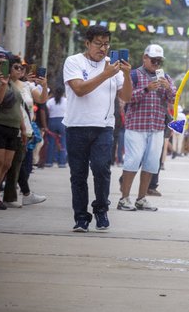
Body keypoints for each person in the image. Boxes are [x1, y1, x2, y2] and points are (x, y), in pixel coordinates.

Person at [63, 26, 132, 232]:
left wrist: (127, 75)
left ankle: (101, 210)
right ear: (87, 43)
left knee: (102, 169)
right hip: (76, 126)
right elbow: (79, 89)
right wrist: (105, 74)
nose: (103, 48)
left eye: (106, 44)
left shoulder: (113, 66)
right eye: (98, 43)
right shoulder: (74, 62)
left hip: (103, 127)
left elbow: (126, 97)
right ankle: (81, 217)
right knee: (78, 174)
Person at [117, 44, 175, 212]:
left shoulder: (165, 77)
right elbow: (126, 98)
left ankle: (141, 199)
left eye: (159, 61)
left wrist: (168, 88)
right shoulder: (133, 75)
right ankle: (124, 198)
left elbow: (173, 98)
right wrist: (146, 89)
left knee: (151, 163)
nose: (156, 64)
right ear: (145, 58)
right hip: (136, 126)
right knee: (133, 160)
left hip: (156, 127)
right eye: (153, 60)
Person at [3, 57, 48, 207]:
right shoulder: (4, 84)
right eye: (16, 67)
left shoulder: (27, 85)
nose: (20, 70)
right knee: (11, 164)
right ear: (8, 68)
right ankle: (11, 196)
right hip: (10, 126)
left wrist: (44, 85)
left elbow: (41, 99)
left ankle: (15, 195)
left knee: (19, 164)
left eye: (22, 68)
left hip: (26, 129)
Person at [0, 51, 27, 210]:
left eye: (4, 64)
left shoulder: (11, 83)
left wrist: (23, 129)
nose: (1, 66)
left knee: (6, 164)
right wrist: (3, 84)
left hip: (13, 128)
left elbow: (18, 108)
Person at [44, 84, 68, 167]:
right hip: (62, 122)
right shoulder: (66, 101)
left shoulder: (50, 101)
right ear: (63, 92)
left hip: (52, 121)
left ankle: (49, 162)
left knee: (51, 142)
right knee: (63, 142)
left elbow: (47, 112)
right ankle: (62, 162)